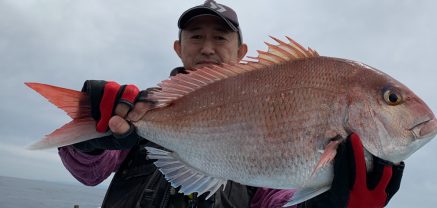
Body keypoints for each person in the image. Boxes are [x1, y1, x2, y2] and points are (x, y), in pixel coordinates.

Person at [58, 1, 404, 207]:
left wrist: (327, 203)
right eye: (196, 37)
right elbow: (90, 173)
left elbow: (276, 200)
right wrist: (89, 140)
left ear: (241, 52)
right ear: (178, 48)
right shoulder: (140, 108)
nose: (207, 47)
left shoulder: (265, 106)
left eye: (220, 37)